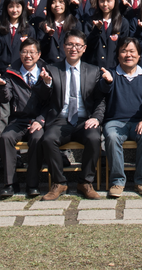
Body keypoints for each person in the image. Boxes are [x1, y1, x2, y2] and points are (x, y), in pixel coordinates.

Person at [35, 29, 107, 201]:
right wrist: (46, 84)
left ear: (84, 48)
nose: (73, 48)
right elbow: (42, 99)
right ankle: (59, 182)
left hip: (84, 119)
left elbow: (100, 100)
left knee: (94, 138)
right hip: (60, 119)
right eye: (69, 44)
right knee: (48, 139)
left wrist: (96, 118)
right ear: (63, 46)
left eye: (78, 45)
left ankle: (85, 182)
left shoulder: (93, 71)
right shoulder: (52, 69)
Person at [101, 37, 142, 197]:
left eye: (132, 51)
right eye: (124, 51)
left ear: (139, 55)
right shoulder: (110, 74)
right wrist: (107, 82)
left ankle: (141, 180)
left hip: (140, 121)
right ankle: (117, 181)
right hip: (115, 122)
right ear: (118, 54)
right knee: (112, 137)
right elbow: (102, 91)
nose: (128, 55)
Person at [0, 38, 46, 198]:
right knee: (5, 138)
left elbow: (51, 102)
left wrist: (40, 120)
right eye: (24, 52)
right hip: (18, 120)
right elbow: (5, 98)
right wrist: (1, 87)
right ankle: (10, 183)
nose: (28, 56)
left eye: (32, 52)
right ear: (19, 53)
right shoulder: (11, 73)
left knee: (37, 139)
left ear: (39, 54)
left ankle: (32, 184)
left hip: (38, 120)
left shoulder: (46, 73)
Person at [0, 0, 36, 72]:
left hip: (20, 71)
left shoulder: (28, 29)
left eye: (18, 6)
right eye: (11, 6)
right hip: (0, 71)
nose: (14, 10)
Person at [84, 0, 130, 70]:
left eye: (109, 1)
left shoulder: (122, 23)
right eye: (102, 1)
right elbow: (87, 45)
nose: (105, 4)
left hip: (114, 68)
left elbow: (124, 47)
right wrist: (96, 30)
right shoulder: (90, 21)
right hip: (94, 68)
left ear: (115, 1)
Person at [37, 0, 78, 64]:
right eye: (53, 2)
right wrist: (48, 36)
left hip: (69, 65)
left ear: (66, 3)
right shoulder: (43, 25)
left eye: (61, 2)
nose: (57, 5)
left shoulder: (75, 24)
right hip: (49, 66)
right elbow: (40, 48)